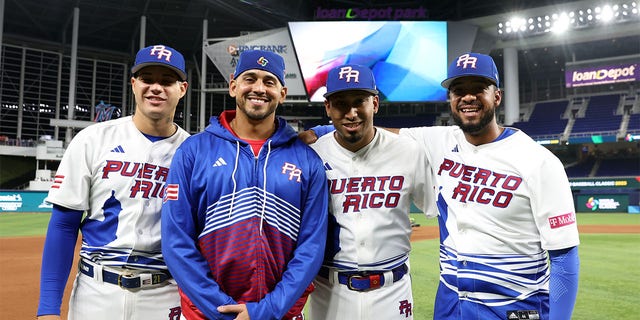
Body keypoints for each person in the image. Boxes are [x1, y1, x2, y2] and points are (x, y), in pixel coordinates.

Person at [304, 53, 581, 320]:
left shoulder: (539, 161)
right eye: (459, 90)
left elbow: (565, 258)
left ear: (497, 96)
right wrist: (323, 131)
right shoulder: (438, 141)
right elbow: (377, 132)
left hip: (515, 305)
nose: (468, 97)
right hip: (452, 302)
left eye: (478, 88)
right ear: (450, 99)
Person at [161, 49, 328, 320]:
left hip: (280, 314)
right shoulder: (193, 151)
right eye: (250, 78)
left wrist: (268, 310)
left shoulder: (307, 160)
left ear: (282, 93)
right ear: (233, 86)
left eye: (269, 81)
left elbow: (311, 246)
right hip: (207, 315)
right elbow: (176, 242)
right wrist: (222, 311)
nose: (259, 88)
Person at [37, 44, 190, 319]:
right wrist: (48, 308)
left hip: (164, 294)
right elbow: (63, 224)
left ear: (183, 89)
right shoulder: (93, 139)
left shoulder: (194, 151)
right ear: (134, 84)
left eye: (167, 81)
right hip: (95, 293)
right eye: (147, 79)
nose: (156, 87)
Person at [307, 64, 436, 320]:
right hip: (330, 291)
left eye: (360, 102)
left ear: (375, 104)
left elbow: (436, 209)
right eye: (341, 103)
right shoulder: (311, 155)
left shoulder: (408, 152)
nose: (352, 112)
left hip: (392, 291)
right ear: (328, 108)